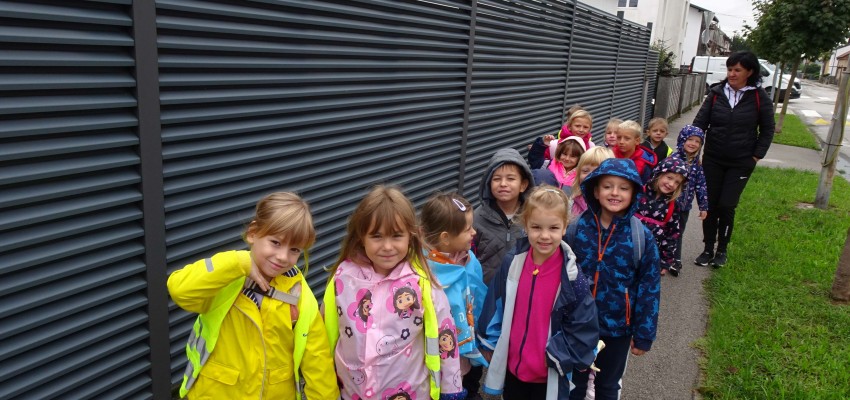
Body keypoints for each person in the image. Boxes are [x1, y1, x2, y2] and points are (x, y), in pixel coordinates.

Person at [168, 192, 338, 400]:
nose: (283, 257)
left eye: (294, 250)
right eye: (275, 242)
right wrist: (237, 263)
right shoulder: (226, 277)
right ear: (253, 233)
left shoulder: (299, 294)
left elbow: (317, 359)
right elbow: (180, 290)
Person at [323, 185, 466, 400]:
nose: (387, 246)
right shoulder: (343, 277)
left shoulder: (422, 284)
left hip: (410, 393)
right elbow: (324, 328)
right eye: (377, 236)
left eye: (397, 236)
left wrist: (450, 389)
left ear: (411, 236)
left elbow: (446, 335)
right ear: (361, 236)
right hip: (352, 393)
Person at [477, 185, 599, 400]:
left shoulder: (572, 277)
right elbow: (495, 304)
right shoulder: (512, 262)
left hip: (549, 371)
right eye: (536, 227)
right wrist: (489, 340)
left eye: (553, 228)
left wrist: (559, 355)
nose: (544, 236)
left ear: (565, 227)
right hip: (513, 367)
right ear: (525, 225)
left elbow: (583, 323)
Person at [565, 158, 661, 400]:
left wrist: (644, 333)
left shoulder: (641, 236)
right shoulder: (576, 229)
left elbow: (649, 286)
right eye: (607, 186)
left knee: (607, 386)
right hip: (577, 325)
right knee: (573, 384)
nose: (615, 193)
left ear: (634, 193)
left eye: (623, 188)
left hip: (617, 328)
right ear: (595, 191)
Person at [693, 51, 774, 268]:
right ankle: (707, 248)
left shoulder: (759, 97)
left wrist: (756, 156)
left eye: (737, 70)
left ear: (750, 72)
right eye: (730, 69)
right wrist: (694, 150)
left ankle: (722, 250)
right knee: (709, 205)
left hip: (741, 162)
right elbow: (699, 124)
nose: (732, 74)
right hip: (713, 159)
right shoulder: (716, 94)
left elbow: (768, 129)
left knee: (726, 205)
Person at [420, 193, 489, 398]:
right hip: (439, 357)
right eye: (467, 229)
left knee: (470, 386)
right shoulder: (423, 270)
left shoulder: (469, 259)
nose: (474, 232)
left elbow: (479, 297)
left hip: (469, 348)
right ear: (445, 238)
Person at [473, 148, 535, 284]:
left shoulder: (532, 216)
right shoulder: (477, 217)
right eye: (496, 179)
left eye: (511, 179)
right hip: (484, 289)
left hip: (520, 289)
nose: (503, 184)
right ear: (488, 184)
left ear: (523, 185)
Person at [635, 158, 688, 276]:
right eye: (669, 177)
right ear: (658, 174)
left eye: (677, 182)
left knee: (646, 282)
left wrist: (666, 261)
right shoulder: (638, 193)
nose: (671, 184)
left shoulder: (673, 206)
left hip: (651, 254)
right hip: (627, 248)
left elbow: (672, 235)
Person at [669, 125, 709, 271]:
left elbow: (701, 186)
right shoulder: (673, 159)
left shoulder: (697, 165)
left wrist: (703, 206)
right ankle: (667, 258)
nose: (693, 143)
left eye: (697, 141)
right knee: (666, 231)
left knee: (678, 232)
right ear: (682, 140)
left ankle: (675, 259)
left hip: (684, 207)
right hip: (669, 205)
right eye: (690, 139)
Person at [570, 146, 615, 220]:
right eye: (585, 171)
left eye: (597, 171)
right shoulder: (572, 203)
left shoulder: (615, 206)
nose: (590, 175)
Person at [613, 120, 657, 184]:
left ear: (637, 141)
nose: (621, 142)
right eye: (619, 137)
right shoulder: (610, 155)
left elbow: (645, 186)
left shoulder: (644, 164)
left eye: (627, 138)